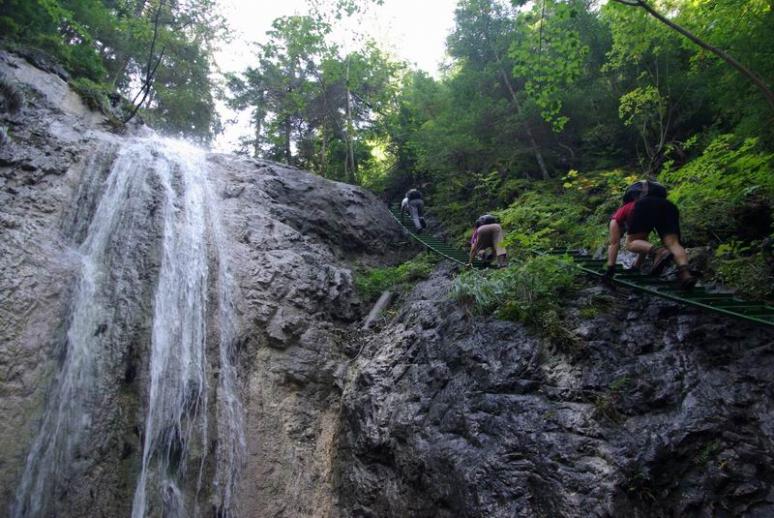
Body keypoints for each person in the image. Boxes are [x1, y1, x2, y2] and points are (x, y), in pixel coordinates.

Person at [606, 180, 696, 290]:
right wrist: (636, 267)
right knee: (673, 243)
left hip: (644, 206)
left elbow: (614, 243)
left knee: (629, 244)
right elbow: (644, 245)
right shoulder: (633, 208)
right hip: (668, 205)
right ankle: (685, 274)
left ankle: (660, 252)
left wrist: (610, 268)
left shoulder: (615, 219)